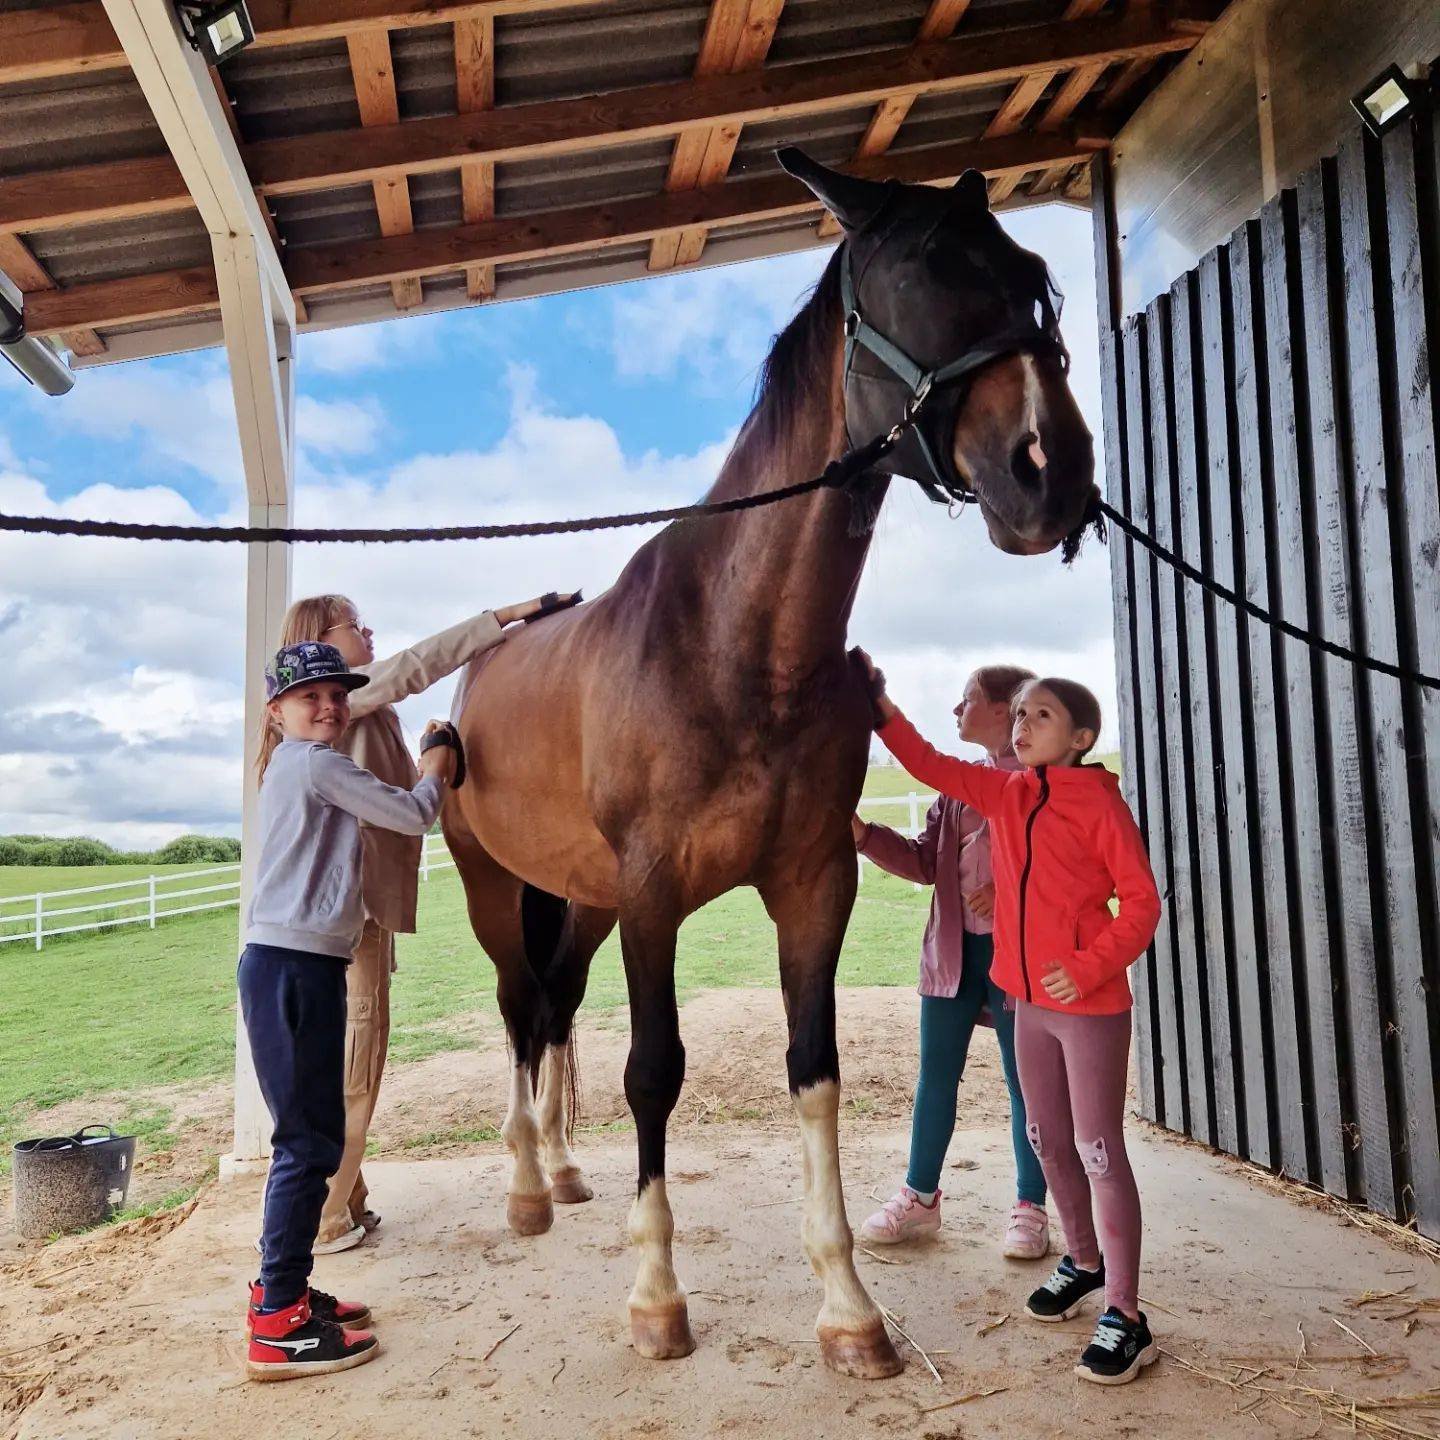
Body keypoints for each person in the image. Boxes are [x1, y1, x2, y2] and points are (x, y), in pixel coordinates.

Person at [856, 653, 1163, 1386]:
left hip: (1088, 1007)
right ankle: (1082, 1262)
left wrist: (1087, 965)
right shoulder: (1006, 793)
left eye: (1042, 715)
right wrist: (880, 707)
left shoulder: (1100, 805)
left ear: (1082, 736)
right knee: (1045, 1138)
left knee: (1096, 1149)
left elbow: (1142, 904)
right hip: (1025, 1004)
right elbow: (931, 764)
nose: (1023, 725)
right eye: (1019, 713)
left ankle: (1127, 1313)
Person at [274, 592, 573, 1253]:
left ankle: (347, 1197)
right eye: (353, 624)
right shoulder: (352, 695)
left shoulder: (342, 721)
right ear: (319, 640)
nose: (368, 629)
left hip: (329, 915)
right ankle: (325, 1216)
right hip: (350, 918)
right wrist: (507, 616)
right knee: (360, 1059)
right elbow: (422, 663)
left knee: (335, 1059)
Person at [242, 639, 456, 1380]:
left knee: (313, 1136)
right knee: (306, 1144)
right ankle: (277, 1324)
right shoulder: (318, 763)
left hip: (296, 959)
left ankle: (286, 1291)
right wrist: (436, 761)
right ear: (278, 712)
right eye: (311, 698)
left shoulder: (290, 766)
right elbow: (409, 815)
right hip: (297, 964)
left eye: (337, 695)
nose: (329, 706)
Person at [853, 666, 1051, 1261]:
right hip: (952, 952)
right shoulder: (956, 790)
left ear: (1001, 710)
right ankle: (920, 1197)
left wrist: (1013, 888)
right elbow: (921, 862)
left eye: (966, 701)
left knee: (1028, 1087)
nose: (955, 711)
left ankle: (1030, 1206)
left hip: (1020, 958)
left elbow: (1071, 868)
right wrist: (862, 834)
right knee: (935, 1077)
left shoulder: (1047, 784)